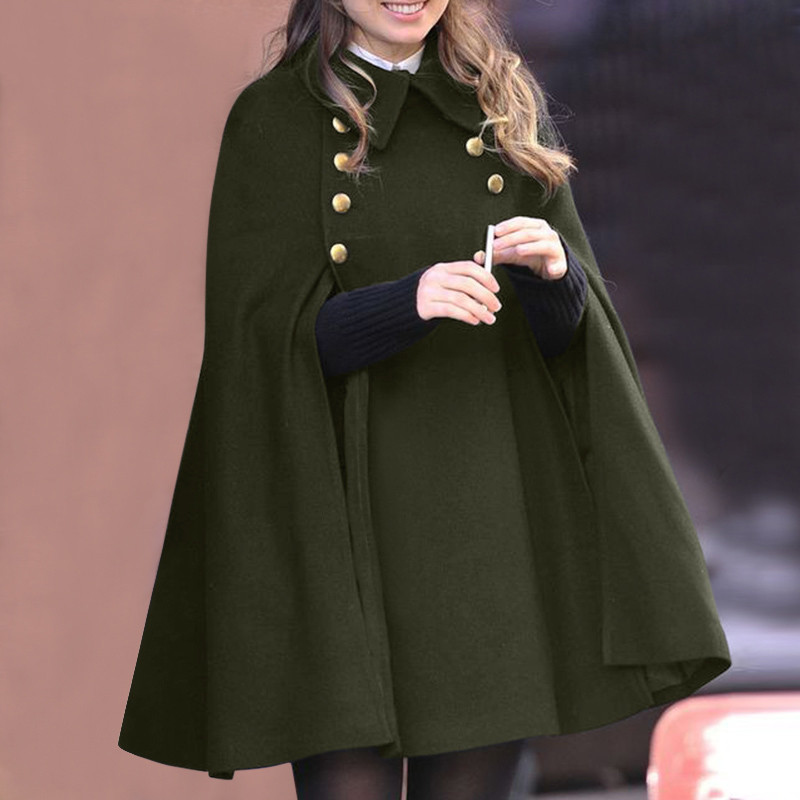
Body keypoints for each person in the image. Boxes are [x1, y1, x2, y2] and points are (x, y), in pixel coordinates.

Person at [117, 0, 732, 796]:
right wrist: (407, 303)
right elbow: (260, 349)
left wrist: (556, 275)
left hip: (484, 536)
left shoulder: (502, 102)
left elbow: (566, 349)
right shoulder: (275, 119)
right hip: (343, 540)